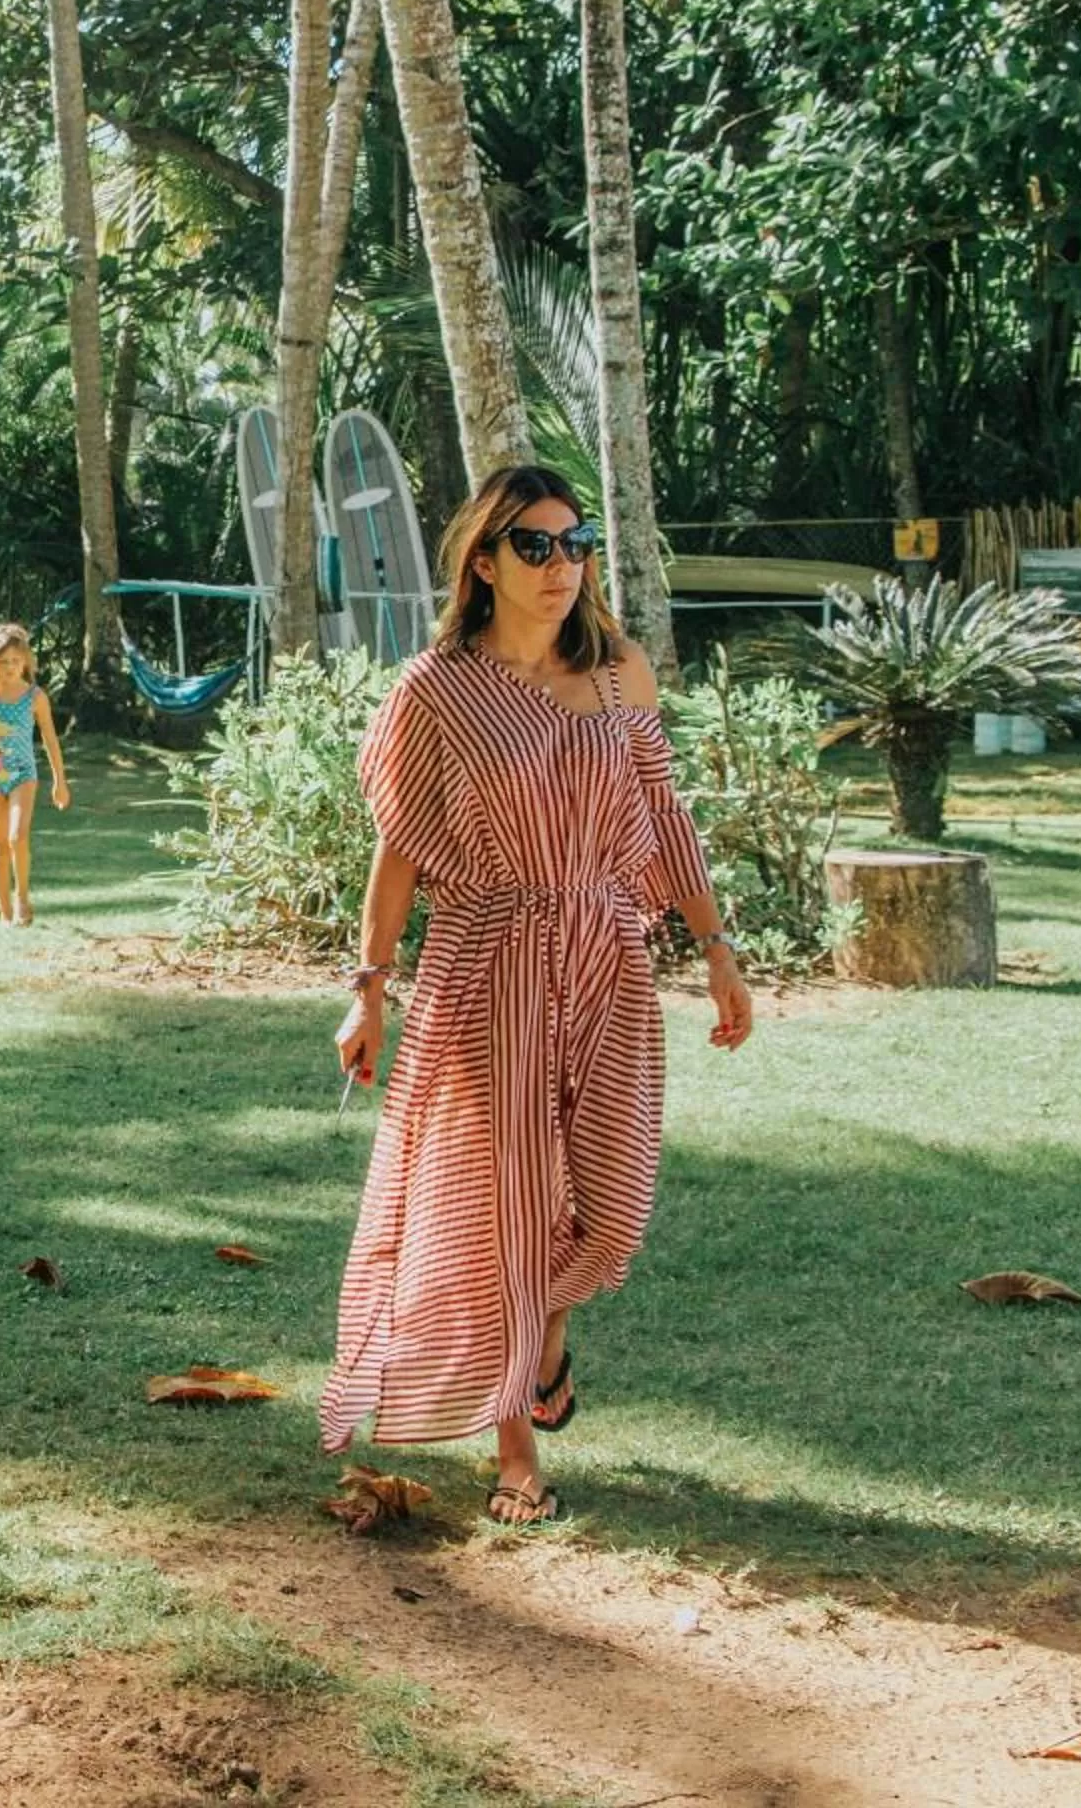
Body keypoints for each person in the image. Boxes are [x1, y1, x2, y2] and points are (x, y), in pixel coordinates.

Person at [325, 465, 754, 1525]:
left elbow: (663, 817)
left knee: (612, 1214)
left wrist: (715, 944)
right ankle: (515, 1444)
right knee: (504, 1213)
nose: (561, 565)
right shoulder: (436, 690)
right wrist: (368, 988)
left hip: (608, 955)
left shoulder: (619, 674)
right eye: (535, 546)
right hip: (489, 962)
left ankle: (545, 1333)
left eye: (577, 543)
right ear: (483, 561)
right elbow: (399, 850)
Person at [0, 623, 69, 924]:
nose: (9, 667)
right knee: (0, 846)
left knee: (18, 836)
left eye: (15, 661)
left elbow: (50, 738)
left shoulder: (35, 697)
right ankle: (5, 916)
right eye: (2, 661)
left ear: (26, 662)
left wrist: (60, 781)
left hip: (23, 774)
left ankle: (22, 897)